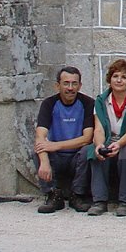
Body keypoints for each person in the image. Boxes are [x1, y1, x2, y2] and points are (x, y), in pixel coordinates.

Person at [87, 58, 126, 217]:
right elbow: (98, 129)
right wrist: (99, 145)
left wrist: (118, 144)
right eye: (115, 76)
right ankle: (99, 201)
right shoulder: (101, 100)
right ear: (110, 79)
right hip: (108, 138)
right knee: (95, 151)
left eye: (124, 77)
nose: (119, 80)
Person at [33, 67, 94, 213]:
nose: (70, 88)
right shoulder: (49, 104)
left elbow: (87, 138)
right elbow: (40, 136)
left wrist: (55, 145)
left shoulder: (88, 103)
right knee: (38, 151)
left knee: (88, 150)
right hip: (57, 158)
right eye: (66, 83)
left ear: (80, 85)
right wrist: (45, 161)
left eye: (74, 84)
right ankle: (53, 195)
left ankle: (77, 195)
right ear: (57, 85)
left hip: (76, 156)